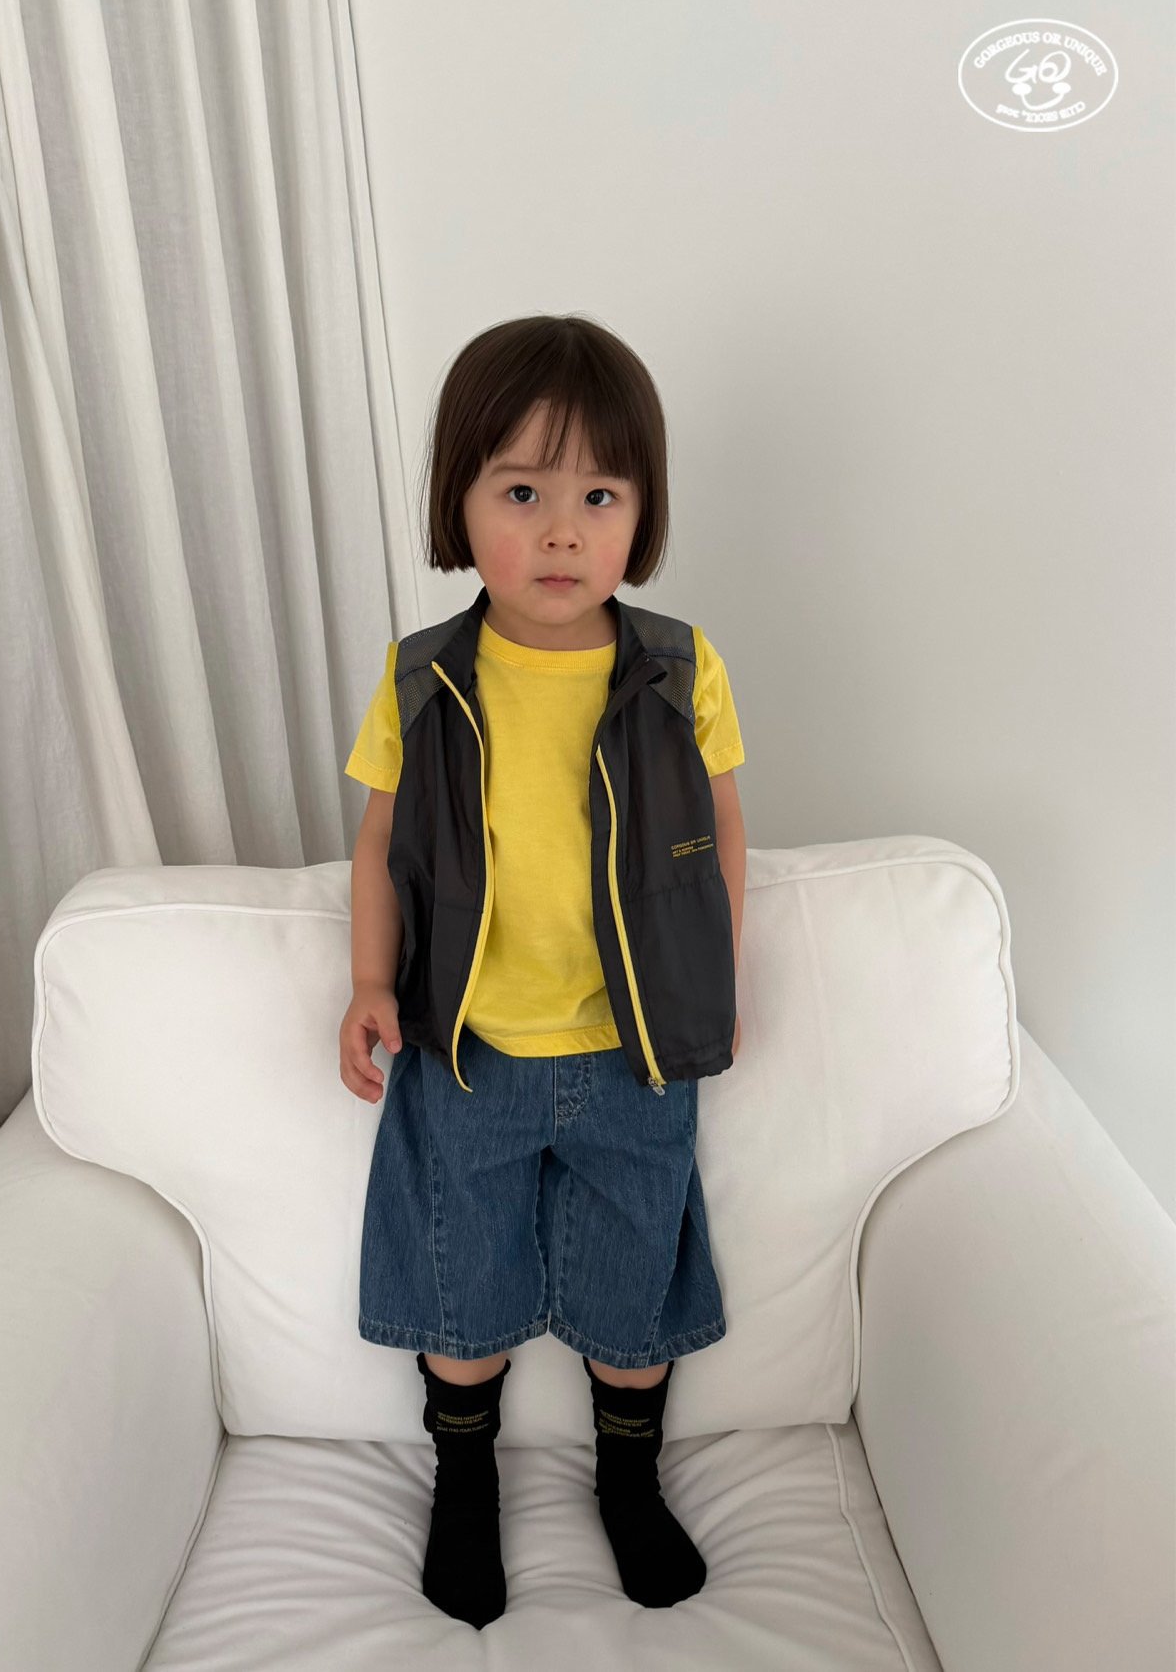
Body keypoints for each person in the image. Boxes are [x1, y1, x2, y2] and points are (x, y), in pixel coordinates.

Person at [339, 313, 746, 1630]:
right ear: (459, 505)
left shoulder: (678, 670)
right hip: (471, 1054)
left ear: (642, 514)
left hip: (635, 1054)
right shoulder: (423, 679)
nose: (562, 533)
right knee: (463, 1285)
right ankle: (465, 1484)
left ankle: (630, 1483)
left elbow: (721, 829)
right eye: (522, 494)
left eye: (599, 498)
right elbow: (378, 844)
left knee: (634, 1294)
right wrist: (370, 984)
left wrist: (714, 978)